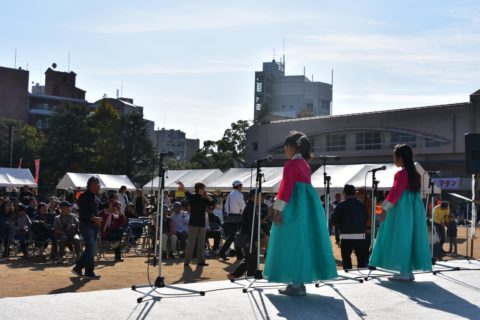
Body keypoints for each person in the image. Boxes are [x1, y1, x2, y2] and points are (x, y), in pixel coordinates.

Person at [264, 131, 338, 296]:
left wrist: (278, 209)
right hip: (305, 208)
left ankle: (295, 284)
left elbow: (286, 187)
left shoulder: (290, 164)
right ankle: (299, 281)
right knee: (302, 241)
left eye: (286, 146)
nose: (284, 149)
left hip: (293, 207)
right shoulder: (305, 164)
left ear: (292, 147)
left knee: (291, 242)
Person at [369, 144, 432, 281]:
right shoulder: (415, 174)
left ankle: (404, 271)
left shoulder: (402, 174)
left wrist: (384, 209)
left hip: (402, 208)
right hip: (414, 207)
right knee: (410, 238)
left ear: (401, 158)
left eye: (395, 157)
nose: (394, 160)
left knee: (400, 237)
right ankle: (408, 270)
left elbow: (395, 192)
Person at [227, 189, 262, 280]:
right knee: (251, 258)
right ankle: (250, 276)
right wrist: (255, 239)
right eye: (259, 197)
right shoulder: (251, 208)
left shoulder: (252, 207)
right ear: (254, 197)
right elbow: (251, 226)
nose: (260, 199)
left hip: (248, 236)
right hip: (248, 236)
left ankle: (236, 274)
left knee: (250, 257)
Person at [72, 176, 103, 278]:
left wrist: (110, 204)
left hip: (92, 226)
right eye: (98, 184)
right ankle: (87, 271)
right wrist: (95, 218)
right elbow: (84, 212)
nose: (99, 186)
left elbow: (101, 206)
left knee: (90, 249)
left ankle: (80, 269)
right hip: (87, 225)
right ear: (92, 184)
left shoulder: (94, 196)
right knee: (91, 249)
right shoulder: (84, 196)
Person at [331, 184, 368, 270]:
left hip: (346, 235)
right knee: (361, 258)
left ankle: (349, 275)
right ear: (354, 193)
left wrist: (340, 225)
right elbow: (366, 218)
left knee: (346, 258)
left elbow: (334, 220)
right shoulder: (361, 205)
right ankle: (362, 274)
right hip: (360, 234)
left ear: (344, 193)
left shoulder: (341, 205)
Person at [179, 182, 215, 267]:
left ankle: (201, 261)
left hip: (202, 223)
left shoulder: (205, 198)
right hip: (193, 223)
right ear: (199, 189)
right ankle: (187, 261)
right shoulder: (193, 196)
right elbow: (186, 192)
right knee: (191, 243)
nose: (205, 190)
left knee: (201, 243)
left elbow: (213, 203)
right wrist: (182, 186)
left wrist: (207, 196)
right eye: (204, 188)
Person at [219, 180, 246, 261]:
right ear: (238, 186)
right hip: (237, 217)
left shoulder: (230, 194)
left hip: (230, 217)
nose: (241, 188)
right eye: (241, 186)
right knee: (237, 236)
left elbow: (226, 207)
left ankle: (238, 254)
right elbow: (243, 206)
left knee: (233, 236)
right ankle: (235, 253)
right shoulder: (238, 194)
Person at [100, 195, 126, 261]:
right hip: (105, 234)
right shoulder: (103, 214)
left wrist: (120, 214)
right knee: (118, 237)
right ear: (108, 206)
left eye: (115, 206)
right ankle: (117, 255)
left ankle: (116, 246)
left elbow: (122, 223)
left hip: (113, 234)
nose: (114, 208)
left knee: (119, 231)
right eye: (112, 206)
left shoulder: (115, 215)